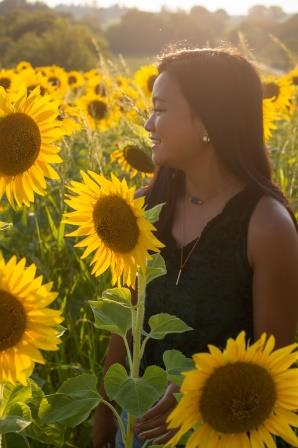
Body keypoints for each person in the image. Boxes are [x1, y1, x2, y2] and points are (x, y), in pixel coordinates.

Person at [91, 46, 298, 448]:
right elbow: (125, 331)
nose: (149, 123)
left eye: (162, 109)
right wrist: (103, 425)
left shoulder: (266, 226)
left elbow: (275, 368)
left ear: (208, 120)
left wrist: (194, 394)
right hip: (135, 431)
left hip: (220, 435)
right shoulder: (144, 208)